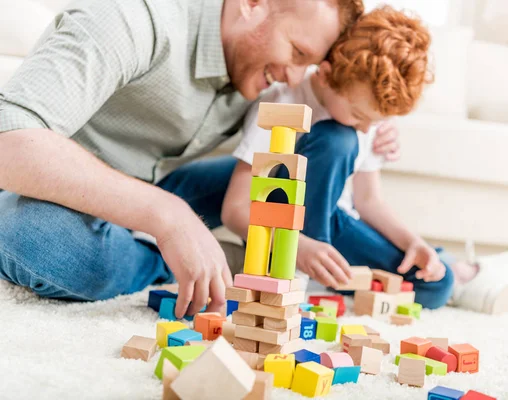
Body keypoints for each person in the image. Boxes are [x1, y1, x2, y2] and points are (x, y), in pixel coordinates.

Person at [0, 0, 383, 319]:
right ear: (252, 4)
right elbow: (9, 143)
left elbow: (329, 106)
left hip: (156, 189)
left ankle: (226, 257)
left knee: (322, 147)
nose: (295, 74)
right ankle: (163, 264)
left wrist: (370, 121)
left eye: (310, 63)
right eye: (297, 52)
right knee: (33, 237)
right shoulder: (132, 18)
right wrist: (169, 218)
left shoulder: (262, 69)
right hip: (47, 200)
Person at [222, 6, 508, 314]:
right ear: (327, 74)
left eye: (373, 121)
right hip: (280, 217)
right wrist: (298, 246)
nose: (365, 129)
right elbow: (236, 207)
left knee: (437, 284)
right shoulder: (285, 101)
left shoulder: (367, 122)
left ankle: (457, 268)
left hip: (335, 220)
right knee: (339, 139)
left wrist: (412, 241)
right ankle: (292, 273)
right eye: (360, 115)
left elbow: (369, 200)